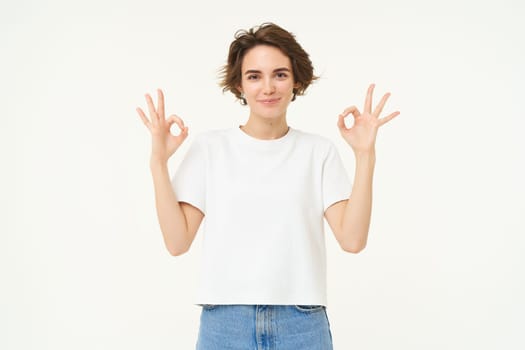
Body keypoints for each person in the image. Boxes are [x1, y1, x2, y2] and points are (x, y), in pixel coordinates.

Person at [136, 22, 399, 350]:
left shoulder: (317, 152)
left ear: (296, 81)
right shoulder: (209, 149)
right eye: (254, 76)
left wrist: (365, 155)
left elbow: (353, 239)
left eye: (280, 74)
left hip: (301, 321)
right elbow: (176, 242)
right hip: (225, 322)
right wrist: (158, 162)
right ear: (239, 85)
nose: (268, 87)